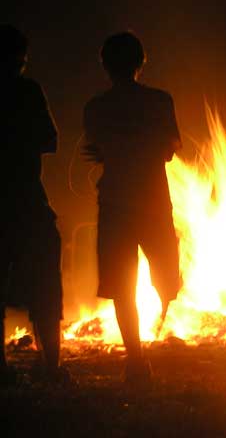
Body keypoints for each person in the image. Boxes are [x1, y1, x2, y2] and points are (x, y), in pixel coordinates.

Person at [82, 31, 182, 384]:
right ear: (141, 62)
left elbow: (95, 148)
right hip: (152, 200)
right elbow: (171, 148)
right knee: (167, 274)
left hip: (116, 202)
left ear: (105, 66)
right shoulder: (159, 101)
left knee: (122, 286)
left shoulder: (95, 108)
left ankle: (136, 358)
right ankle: (144, 351)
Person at [0, 24, 67, 385]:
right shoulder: (27, 92)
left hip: (18, 199)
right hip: (25, 199)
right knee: (44, 281)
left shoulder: (27, 90)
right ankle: (51, 366)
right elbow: (50, 139)